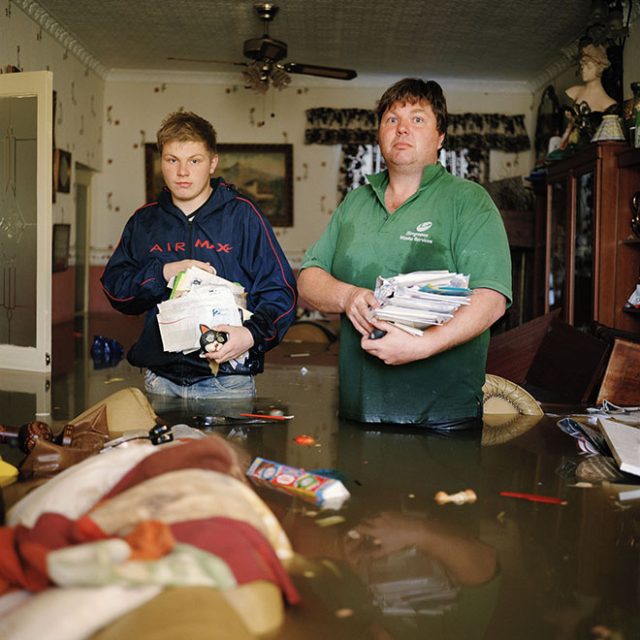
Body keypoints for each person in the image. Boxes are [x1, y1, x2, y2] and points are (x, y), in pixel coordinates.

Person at [297, 78, 512, 428]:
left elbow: (492, 299)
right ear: (380, 134)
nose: (402, 130)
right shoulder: (355, 201)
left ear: (440, 137)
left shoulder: (469, 201)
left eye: (417, 119)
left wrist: (423, 346)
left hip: (442, 417)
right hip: (357, 410)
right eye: (392, 120)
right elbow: (308, 280)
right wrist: (348, 295)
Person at [101, 111, 297, 399]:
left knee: (225, 448)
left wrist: (250, 335)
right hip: (160, 382)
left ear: (212, 163)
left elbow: (281, 293)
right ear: (161, 162)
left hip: (227, 383)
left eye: (194, 160)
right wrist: (163, 272)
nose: (183, 172)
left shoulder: (244, 216)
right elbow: (116, 290)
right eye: (172, 160)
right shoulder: (144, 221)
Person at [560, 44, 618, 149]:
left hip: (590, 153)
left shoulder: (609, 104)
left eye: (589, 67)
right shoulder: (572, 92)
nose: (584, 70)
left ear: (599, 69)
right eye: (582, 67)